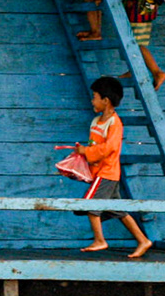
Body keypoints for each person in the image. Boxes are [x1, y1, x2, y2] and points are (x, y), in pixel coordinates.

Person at [62, 75, 153, 259]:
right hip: (98, 172)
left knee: (90, 205)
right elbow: (93, 145)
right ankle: (143, 240)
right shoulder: (96, 122)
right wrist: (83, 153)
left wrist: (87, 152)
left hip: (107, 172)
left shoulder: (115, 123)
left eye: (95, 96)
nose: (92, 100)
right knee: (117, 209)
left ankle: (99, 240)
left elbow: (109, 148)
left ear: (106, 100)